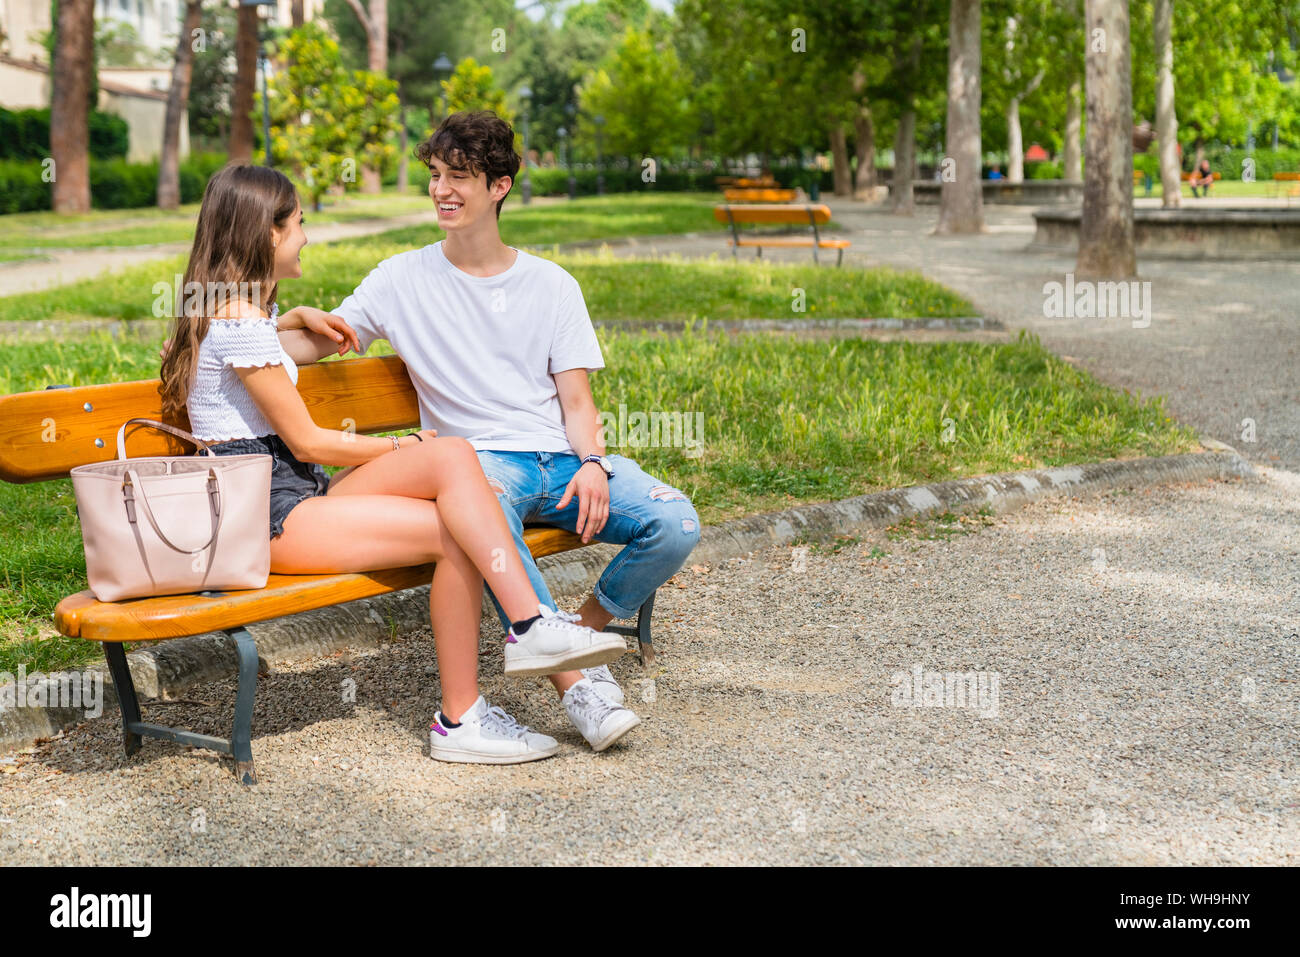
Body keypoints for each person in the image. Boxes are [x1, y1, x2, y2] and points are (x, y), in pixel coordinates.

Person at [158, 163, 633, 765]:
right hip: (265, 520)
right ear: (266, 233)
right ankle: (471, 706)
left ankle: (528, 633)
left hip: (292, 497)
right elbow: (309, 444)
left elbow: (242, 351)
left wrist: (291, 316)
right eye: (299, 223)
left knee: (452, 453)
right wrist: (398, 446)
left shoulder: (231, 315)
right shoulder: (238, 320)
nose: (307, 235)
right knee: (454, 529)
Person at [282, 111, 702, 752]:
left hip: (561, 460)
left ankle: (576, 635)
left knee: (676, 524)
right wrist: (261, 326)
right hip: (479, 469)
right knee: (483, 520)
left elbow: (579, 401)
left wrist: (592, 461)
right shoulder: (400, 278)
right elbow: (317, 342)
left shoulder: (552, 284)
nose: (442, 191)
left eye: (460, 177)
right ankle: (576, 685)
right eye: (435, 175)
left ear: (499, 186)